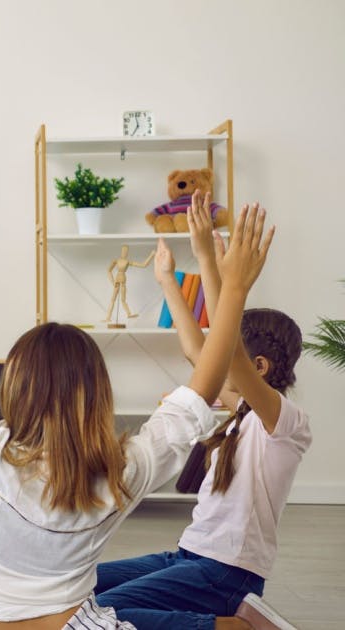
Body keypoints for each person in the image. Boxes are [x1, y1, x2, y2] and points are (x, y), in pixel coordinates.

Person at [0, 187, 274, 628]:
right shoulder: (122, 472)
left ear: (14, 388)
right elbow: (202, 386)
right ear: (99, 395)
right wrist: (234, 287)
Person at [94, 193, 310, 630]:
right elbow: (199, 350)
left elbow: (225, 357)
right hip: (189, 556)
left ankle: (236, 626)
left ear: (260, 368)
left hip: (227, 574)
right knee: (77, 586)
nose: (218, 359)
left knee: (101, 614)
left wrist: (223, 276)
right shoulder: (244, 412)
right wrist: (170, 280)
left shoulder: (285, 422)